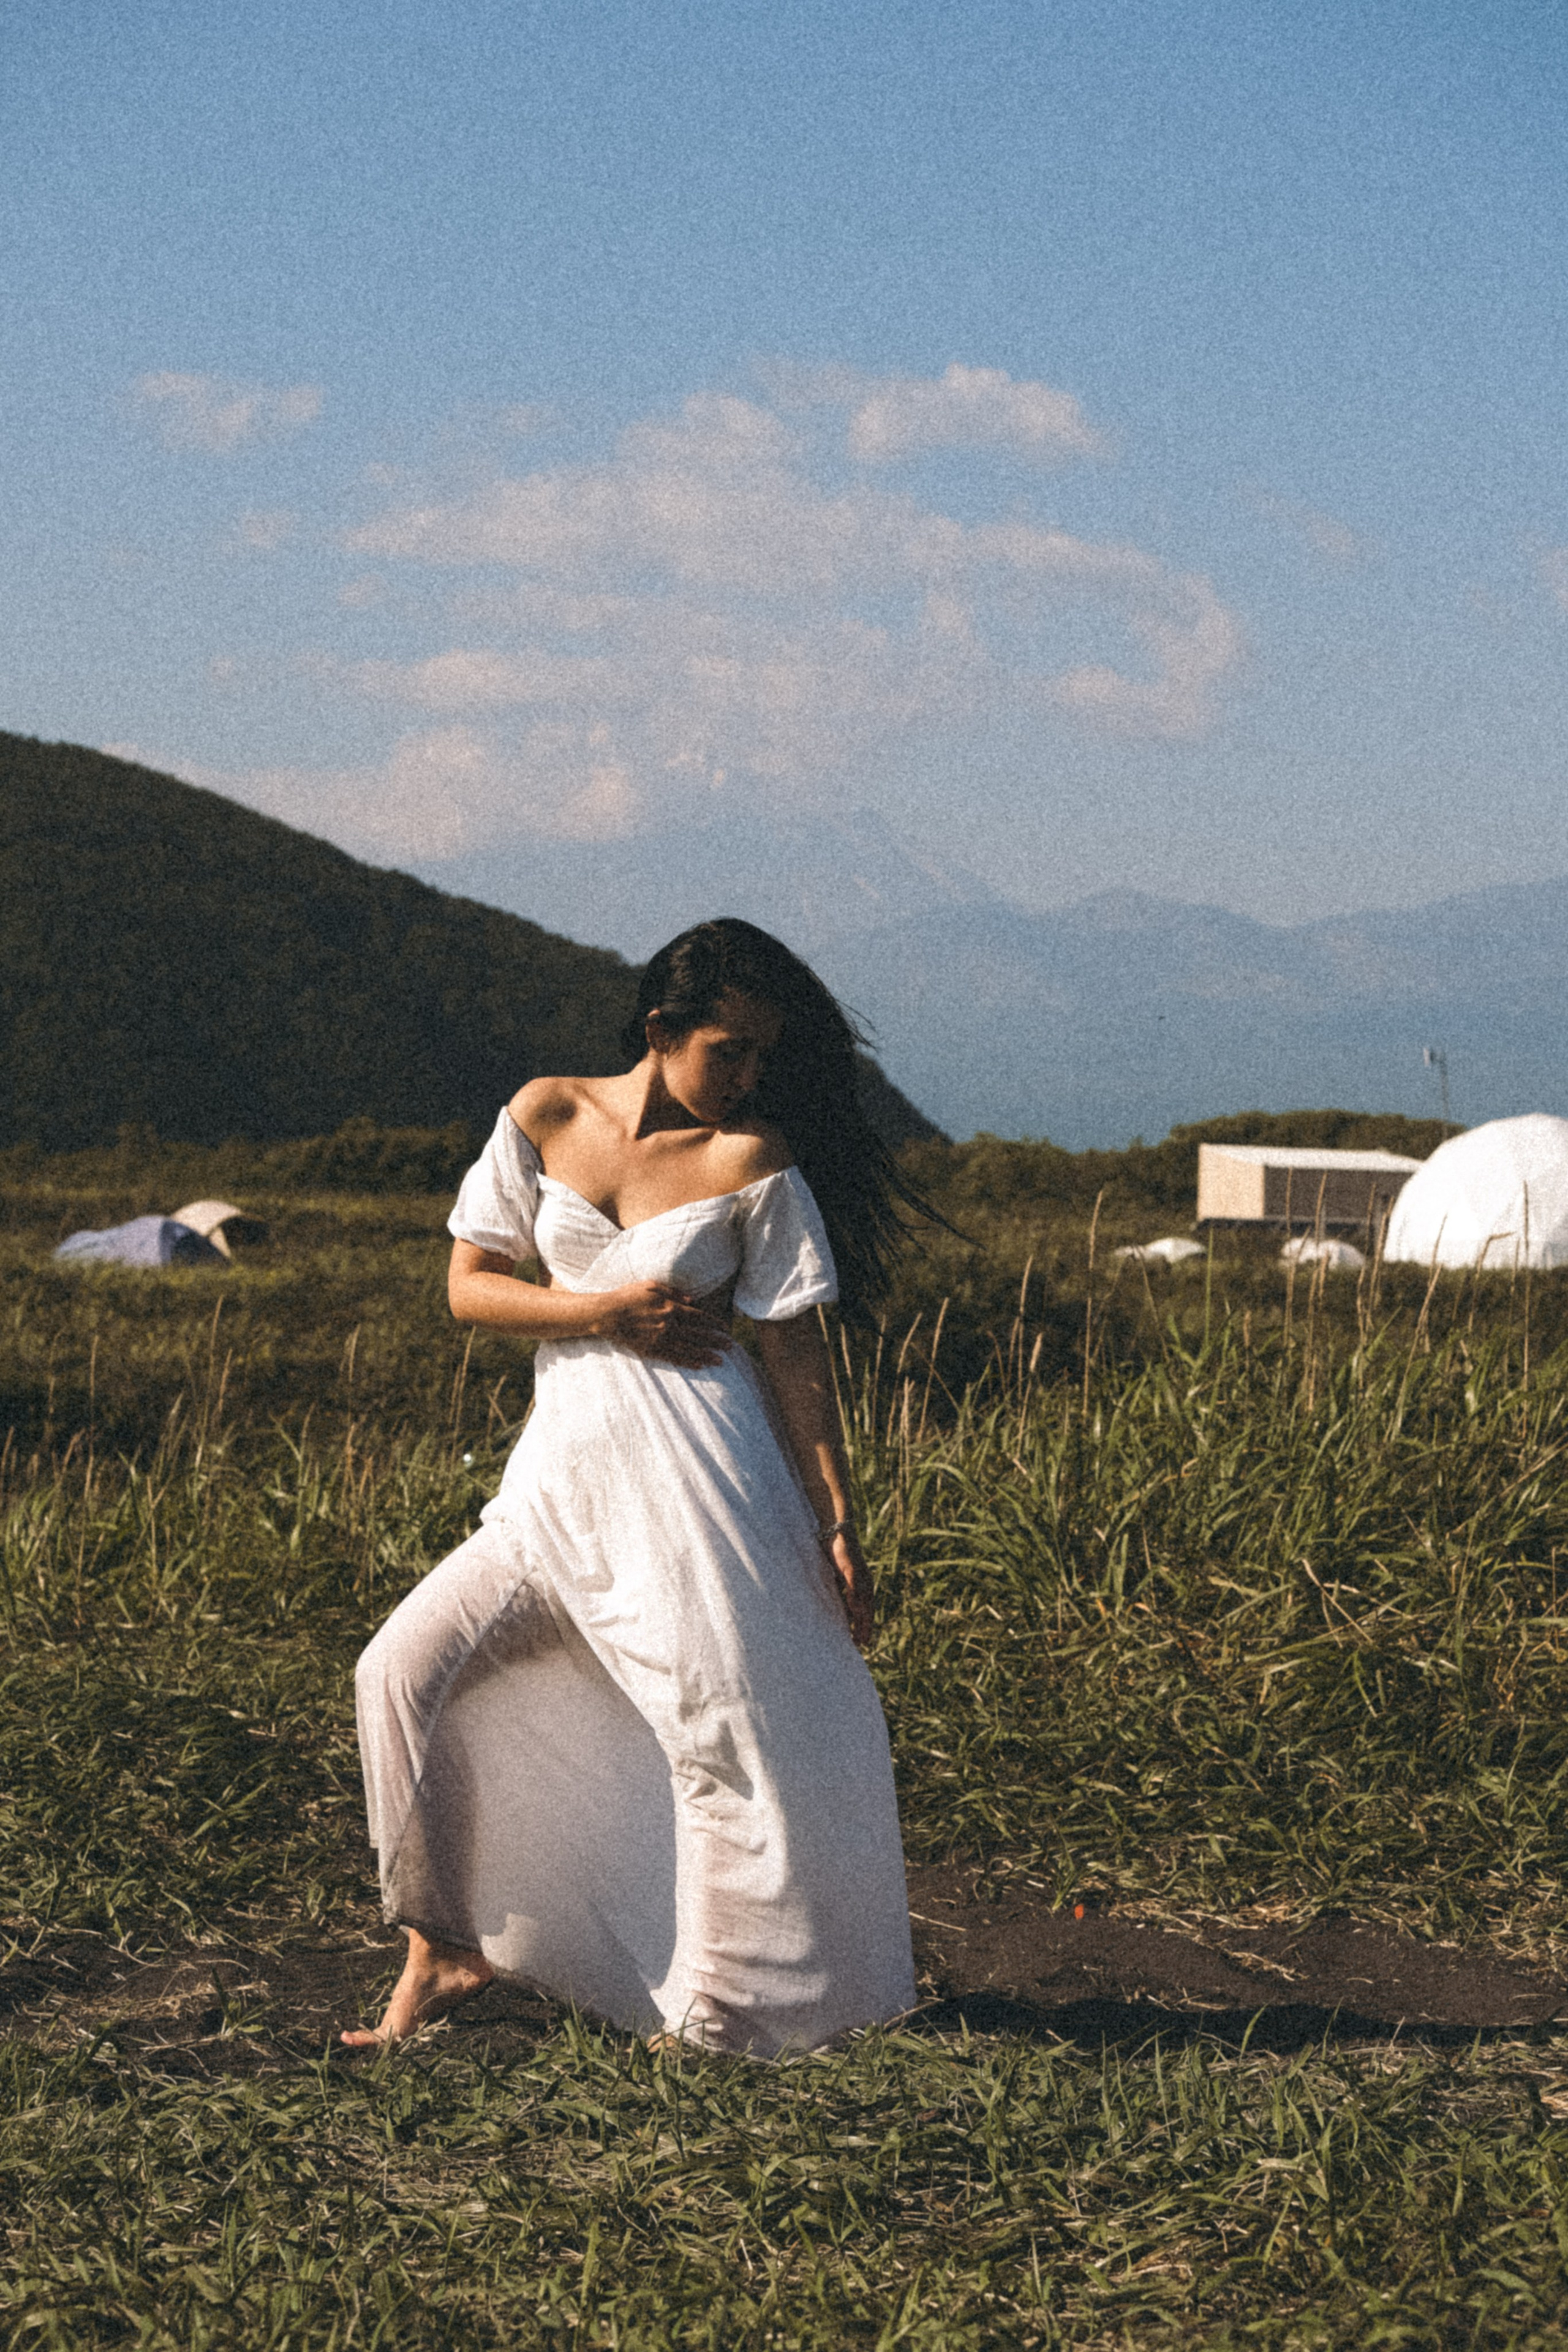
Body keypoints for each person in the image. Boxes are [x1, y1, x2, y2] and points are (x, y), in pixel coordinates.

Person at [344, 919, 920, 2056]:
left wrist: (838, 1524)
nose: (751, 1079)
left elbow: (798, 1356)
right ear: (660, 1031)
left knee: (719, 1737)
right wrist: (604, 1312)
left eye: (765, 1057)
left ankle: (720, 2013)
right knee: (400, 1670)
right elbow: (470, 1288)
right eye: (732, 1052)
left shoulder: (752, 1162)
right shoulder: (546, 1113)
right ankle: (444, 1945)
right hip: (556, 1495)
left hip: (703, 1494)